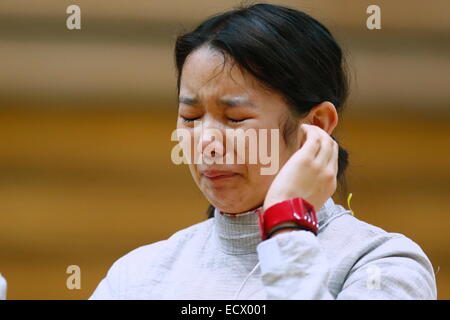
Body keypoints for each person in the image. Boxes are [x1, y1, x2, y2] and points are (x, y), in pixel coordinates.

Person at [90, 3, 437, 299]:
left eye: (235, 118)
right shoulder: (137, 277)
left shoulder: (381, 263)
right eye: (191, 117)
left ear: (316, 124)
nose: (207, 144)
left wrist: (287, 224)